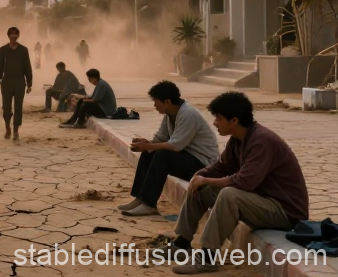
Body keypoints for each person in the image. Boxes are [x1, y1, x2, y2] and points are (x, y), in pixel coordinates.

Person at [165, 92, 308, 274]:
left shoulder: (262, 141)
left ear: (234, 120)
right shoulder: (237, 140)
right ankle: (181, 243)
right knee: (202, 187)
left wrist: (206, 179)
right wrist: (198, 176)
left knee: (229, 194)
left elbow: (244, 182)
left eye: (218, 118)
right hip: (261, 201)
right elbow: (221, 167)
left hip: (285, 212)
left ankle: (207, 258)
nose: (215, 123)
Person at [118, 81, 219, 217]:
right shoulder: (169, 114)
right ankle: (140, 198)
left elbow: (176, 146)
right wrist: (146, 143)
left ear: (167, 101)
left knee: (161, 155)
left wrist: (149, 146)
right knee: (149, 152)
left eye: (156, 101)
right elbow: (161, 138)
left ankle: (149, 204)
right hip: (187, 157)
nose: (154, 105)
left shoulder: (188, 114)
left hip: (203, 164)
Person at [0, 27, 33, 141]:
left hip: (20, 81)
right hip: (6, 82)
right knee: (6, 107)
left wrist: (29, 83)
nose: (14, 37)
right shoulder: (3, 50)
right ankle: (7, 128)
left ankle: (15, 131)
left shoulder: (23, 50)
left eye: (16, 35)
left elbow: (27, 66)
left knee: (18, 107)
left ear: (18, 36)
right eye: (12, 35)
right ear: (8, 36)